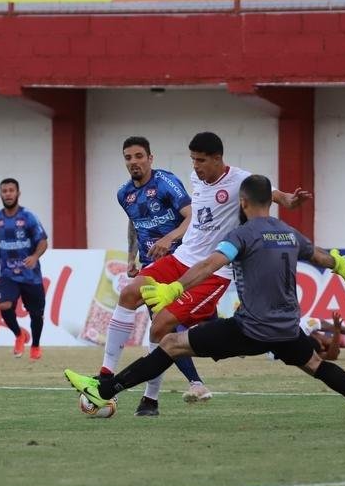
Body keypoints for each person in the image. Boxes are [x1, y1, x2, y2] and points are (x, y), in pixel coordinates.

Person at [65, 173, 345, 429]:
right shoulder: (290, 233)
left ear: (244, 202)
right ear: (270, 201)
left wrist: (173, 290)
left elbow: (210, 264)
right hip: (287, 330)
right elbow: (320, 256)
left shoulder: (241, 235)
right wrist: (337, 263)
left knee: (171, 343)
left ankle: (105, 390)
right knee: (316, 366)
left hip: (250, 330)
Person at [96, 131, 311, 416]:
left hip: (212, 272)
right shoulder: (193, 179)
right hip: (182, 256)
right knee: (129, 292)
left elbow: (269, 192)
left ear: (218, 159)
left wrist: (287, 200)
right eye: (193, 160)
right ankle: (106, 374)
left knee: (161, 326)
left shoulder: (239, 180)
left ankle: (151, 399)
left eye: (201, 161)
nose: (195, 167)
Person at [114, 135, 213, 412]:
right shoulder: (124, 194)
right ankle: (158, 396)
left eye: (138, 156)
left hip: (181, 263)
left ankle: (156, 397)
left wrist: (170, 238)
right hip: (151, 269)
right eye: (128, 157)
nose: (133, 162)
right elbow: (134, 225)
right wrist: (131, 257)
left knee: (173, 328)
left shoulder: (166, 183)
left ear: (150, 158)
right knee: (163, 327)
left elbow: (191, 216)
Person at [0, 178, 48, 360]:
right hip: (7, 274)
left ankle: (35, 345)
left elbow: (43, 241)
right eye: (4, 191)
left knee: (36, 314)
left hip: (30, 275)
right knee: (4, 305)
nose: (8, 194)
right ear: (0, 194)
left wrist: (35, 256)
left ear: (18, 193)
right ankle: (19, 335)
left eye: (11, 190)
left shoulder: (28, 217)